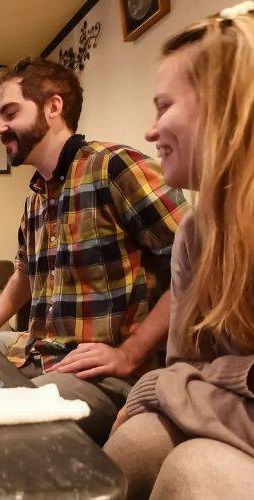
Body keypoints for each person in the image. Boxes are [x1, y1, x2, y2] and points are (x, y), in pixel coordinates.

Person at [0, 58, 189, 443]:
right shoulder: (36, 199)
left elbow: (195, 269)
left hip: (106, 375)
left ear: (53, 107)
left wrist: (128, 354)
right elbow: (24, 273)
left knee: (4, 427)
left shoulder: (115, 167)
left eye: (9, 113)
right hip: (41, 353)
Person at [104, 4, 254, 498]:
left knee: (197, 468)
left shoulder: (113, 170)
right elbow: (184, 364)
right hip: (217, 406)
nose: (149, 132)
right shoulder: (196, 230)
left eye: (164, 106)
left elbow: (172, 379)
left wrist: (157, 382)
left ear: (227, 105)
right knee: (137, 443)